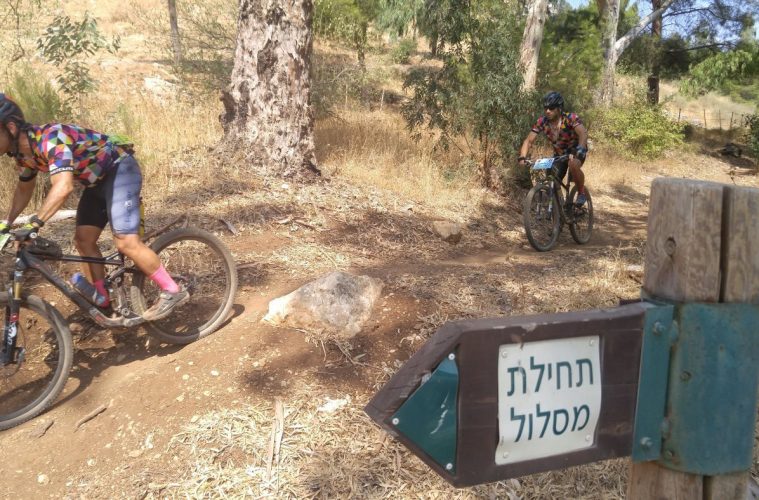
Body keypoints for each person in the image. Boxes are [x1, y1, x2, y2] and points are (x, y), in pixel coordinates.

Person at [0, 93, 188, 320]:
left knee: (126, 242)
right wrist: (7, 223)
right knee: (83, 241)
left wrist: (35, 222)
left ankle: (173, 289)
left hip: (120, 170)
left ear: (11, 128)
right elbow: (24, 189)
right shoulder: (24, 155)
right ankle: (103, 297)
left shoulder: (51, 138)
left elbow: (63, 186)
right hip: (96, 182)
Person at [518, 91, 589, 205]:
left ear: (559, 108)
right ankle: (559, 207)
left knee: (573, 164)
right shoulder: (542, 121)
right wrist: (522, 157)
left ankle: (581, 193)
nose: (547, 111)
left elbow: (583, 133)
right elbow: (528, 140)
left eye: (551, 108)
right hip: (559, 155)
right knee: (552, 178)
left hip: (576, 151)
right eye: (545, 108)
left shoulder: (570, 118)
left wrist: (580, 149)